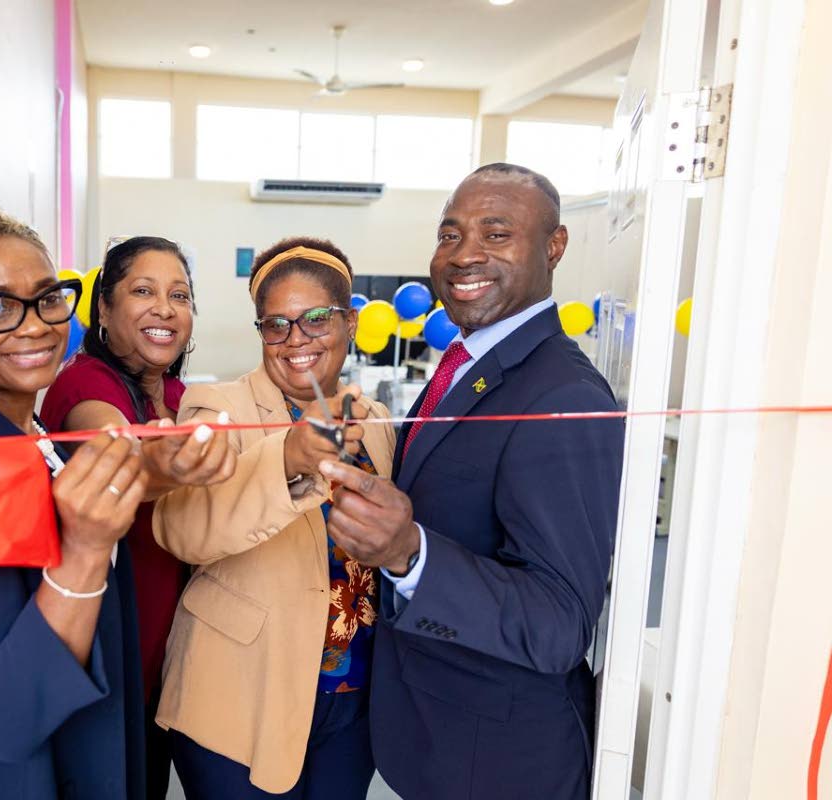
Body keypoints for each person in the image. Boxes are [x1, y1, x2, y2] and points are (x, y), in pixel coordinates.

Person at [320, 163, 625, 799]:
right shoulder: (468, 359)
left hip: (501, 759)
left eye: (496, 233)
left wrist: (408, 553)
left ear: (555, 246)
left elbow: (560, 621)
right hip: (437, 735)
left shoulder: (562, 394)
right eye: (451, 235)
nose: (466, 256)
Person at [0, 203, 218, 799]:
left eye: (47, 298)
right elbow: (0, 718)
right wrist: (87, 550)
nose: (34, 325)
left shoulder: (44, 440)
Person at [152, 238, 396, 798]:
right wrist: (288, 454)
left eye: (316, 319)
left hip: (352, 699)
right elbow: (180, 529)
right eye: (276, 325)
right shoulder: (217, 407)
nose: (296, 341)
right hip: (240, 699)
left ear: (351, 323)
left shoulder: (376, 419)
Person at [40, 235, 236, 799]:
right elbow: (117, 454)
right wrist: (170, 459)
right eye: (143, 291)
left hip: (168, 656)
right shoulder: (85, 385)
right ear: (103, 308)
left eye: (180, 294)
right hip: (110, 645)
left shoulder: (180, 394)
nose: (165, 308)